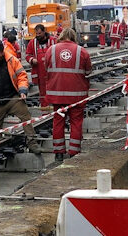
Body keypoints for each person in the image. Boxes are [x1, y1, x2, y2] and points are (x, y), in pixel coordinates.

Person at [45, 29, 92, 161]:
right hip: (76, 96)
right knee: (76, 123)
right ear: (73, 38)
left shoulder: (51, 50)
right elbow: (88, 71)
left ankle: (59, 152)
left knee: (58, 122)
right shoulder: (82, 51)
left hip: (57, 96)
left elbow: (46, 68)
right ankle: (74, 152)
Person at [26, 24, 56, 108]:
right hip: (40, 72)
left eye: (39, 33)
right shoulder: (32, 43)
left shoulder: (53, 41)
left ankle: (55, 107)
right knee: (42, 92)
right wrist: (32, 60)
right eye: (36, 34)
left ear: (44, 31)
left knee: (54, 90)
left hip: (52, 72)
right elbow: (28, 55)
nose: (38, 35)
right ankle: (44, 109)